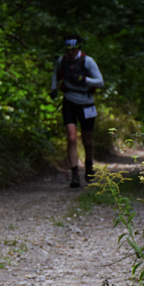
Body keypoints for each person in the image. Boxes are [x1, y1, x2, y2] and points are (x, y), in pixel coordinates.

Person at [50, 33, 104, 188]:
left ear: (78, 48)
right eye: (67, 50)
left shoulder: (88, 61)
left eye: (72, 50)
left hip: (87, 103)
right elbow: (56, 73)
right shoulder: (62, 61)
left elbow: (100, 82)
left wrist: (84, 80)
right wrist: (54, 89)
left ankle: (89, 164)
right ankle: (75, 173)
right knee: (72, 138)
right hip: (69, 101)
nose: (69, 53)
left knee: (87, 139)